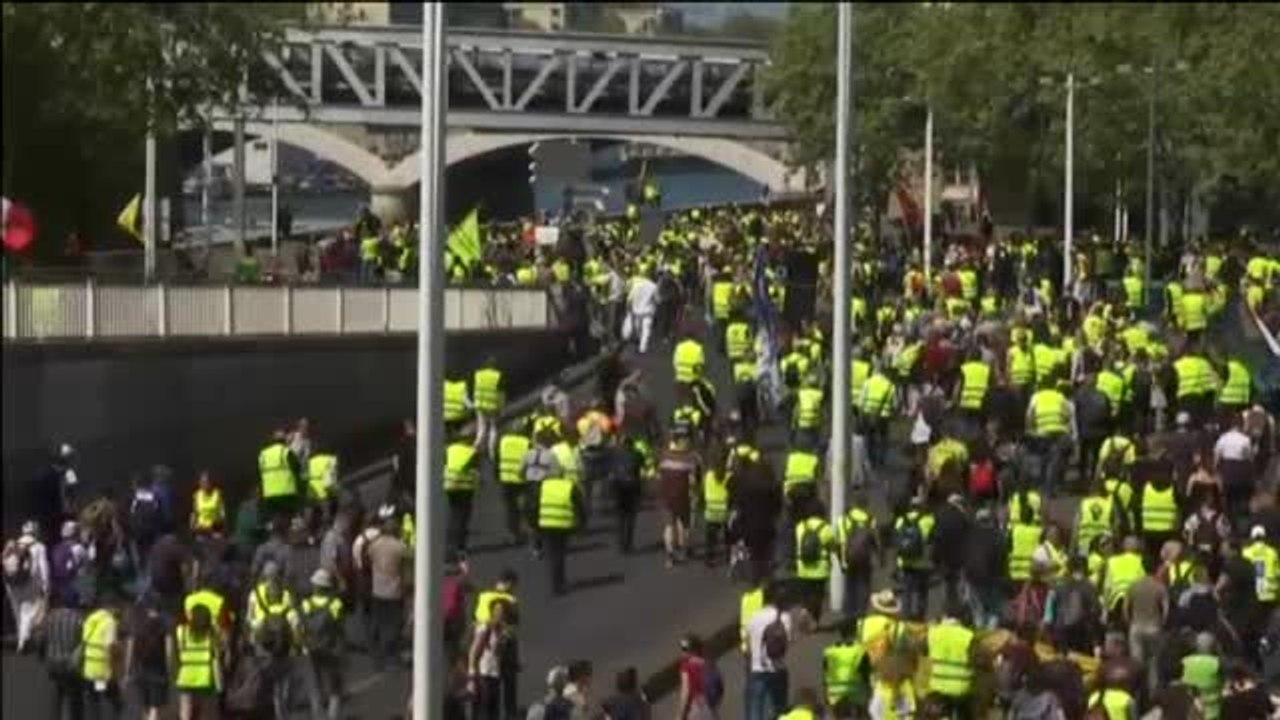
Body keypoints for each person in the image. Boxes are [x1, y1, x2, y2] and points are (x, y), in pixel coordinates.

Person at [301, 569, 345, 720]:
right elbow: (339, 627)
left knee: (315, 686)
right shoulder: (335, 604)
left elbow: (302, 626)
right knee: (335, 688)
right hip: (330, 648)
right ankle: (332, 716)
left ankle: (318, 716)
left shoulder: (306, 604)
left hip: (311, 648)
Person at [745, 582, 792, 720]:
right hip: (778, 669)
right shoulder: (784, 617)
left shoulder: (753, 617)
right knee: (779, 709)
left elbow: (748, 646)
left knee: (755, 710)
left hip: (757, 669)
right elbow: (786, 644)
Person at [3, 520, 50, 653]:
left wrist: (8, 584)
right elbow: (44, 567)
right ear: (35, 531)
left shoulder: (13, 545)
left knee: (18, 614)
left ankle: (21, 640)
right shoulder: (39, 547)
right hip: (31, 585)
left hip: (12, 585)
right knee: (28, 613)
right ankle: (23, 640)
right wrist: (46, 585)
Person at [469, 598, 519, 720]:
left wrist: (504, 638)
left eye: (503, 611)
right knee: (483, 712)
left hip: (495, 676)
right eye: (497, 610)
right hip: (483, 675)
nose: (500, 614)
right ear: (492, 612)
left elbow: (497, 652)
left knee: (493, 712)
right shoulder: (485, 628)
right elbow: (474, 652)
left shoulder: (503, 631)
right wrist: (472, 678)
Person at [126, 595, 173, 720]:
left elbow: (130, 648)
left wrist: (127, 670)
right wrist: (169, 669)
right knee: (154, 707)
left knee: (144, 706)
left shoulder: (137, 623)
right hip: (159, 669)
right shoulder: (165, 622)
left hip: (140, 669)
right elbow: (169, 650)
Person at [81, 593, 124, 720]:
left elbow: (85, 640)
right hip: (101, 671)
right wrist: (114, 671)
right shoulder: (109, 622)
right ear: (111, 606)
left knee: (93, 701)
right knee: (111, 701)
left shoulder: (90, 619)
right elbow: (110, 647)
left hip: (89, 669)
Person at [174, 604, 221, 720]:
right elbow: (216, 659)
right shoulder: (212, 634)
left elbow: (179, 652)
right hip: (204, 677)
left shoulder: (181, 631)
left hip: (186, 675)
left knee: (185, 710)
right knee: (202, 710)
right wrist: (219, 682)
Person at [43, 599, 87, 720]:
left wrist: (43, 656)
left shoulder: (49, 618)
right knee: (76, 696)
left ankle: (56, 714)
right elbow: (84, 641)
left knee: (59, 690)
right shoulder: (78, 619)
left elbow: (42, 639)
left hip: (53, 663)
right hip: (71, 665)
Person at [677, 634, 717, 720]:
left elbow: (686, 692)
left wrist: (680, 715)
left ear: (692, 649)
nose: (682, 652)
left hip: (696, 707)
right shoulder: (708, 663)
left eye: (684, 649)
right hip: (709, 706)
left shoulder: (686, 667)